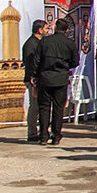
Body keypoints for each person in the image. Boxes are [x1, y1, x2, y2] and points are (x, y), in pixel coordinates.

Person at [30, 18, 79, 146]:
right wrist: (65, 66)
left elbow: (36, 59)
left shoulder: (45, 41)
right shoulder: (70, 44)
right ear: (67, 30)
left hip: (45, 78)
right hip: (61, 78)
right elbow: (75, 62)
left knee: (44, 107)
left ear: (56, 27)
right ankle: (56, 135)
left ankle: (43, 136)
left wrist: (34, 75)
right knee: (58, 108)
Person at [21, 19, 46, 142]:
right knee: (35, 106)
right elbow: (30, 63)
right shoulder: (31, 44)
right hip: (33, 80)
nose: (47, 31)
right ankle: (32, 132)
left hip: (38, 78)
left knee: (40, 105)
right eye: (45, 29)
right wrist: (33, 77)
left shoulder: (39, 43)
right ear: (40, 30)